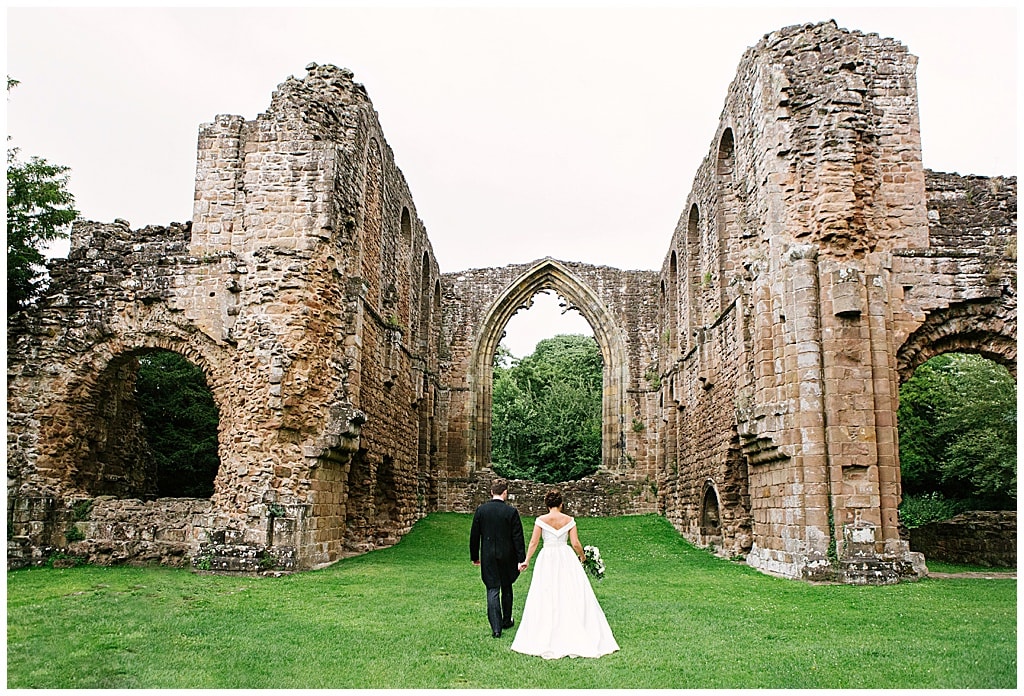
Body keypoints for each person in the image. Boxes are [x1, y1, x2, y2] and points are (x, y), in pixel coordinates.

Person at [510, 489, 619, 659]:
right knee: (570, 590)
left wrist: (527, 560)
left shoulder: (541, 520)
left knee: (546, 591)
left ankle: (546, 629)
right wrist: (583, 557)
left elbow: (533, 542)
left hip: (547, 557)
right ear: (561, 504)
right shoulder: (569, 520)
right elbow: (575, 543)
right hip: (565, 557)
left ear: (547, 504)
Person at [470, 479, 527, 638]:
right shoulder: (510, 512)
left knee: (492, 588)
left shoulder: (481, 510)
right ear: (505, 493)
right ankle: (506, 619)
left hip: (488, 555)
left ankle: (496, 628)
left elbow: (475, 535)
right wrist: (521, 558)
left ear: (491, 492)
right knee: (506, 586)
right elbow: (518, 537)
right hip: (507, 555)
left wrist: (475, 555)